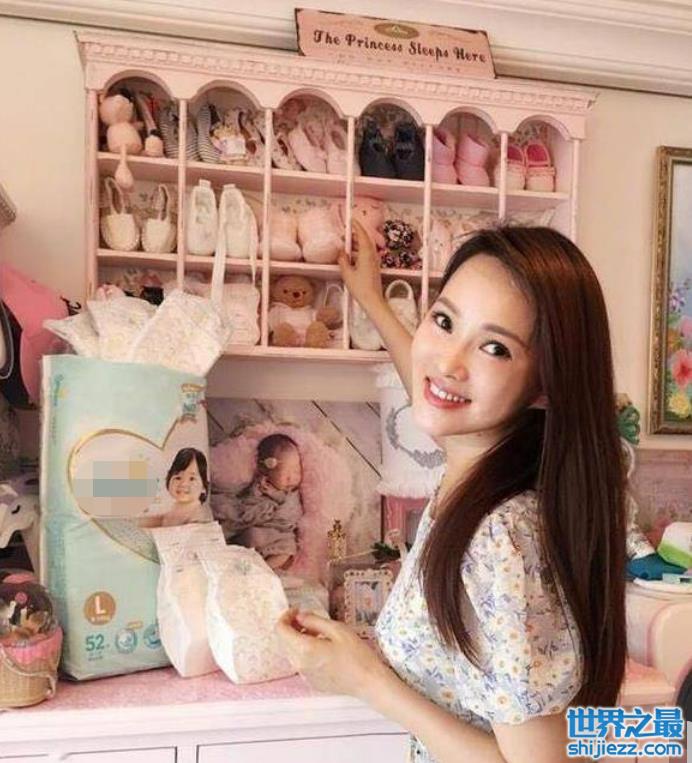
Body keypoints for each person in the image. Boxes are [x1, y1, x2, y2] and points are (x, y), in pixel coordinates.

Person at [276, 222, 627, 763]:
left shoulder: (500, 538)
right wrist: (371, 299)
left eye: (495, 348)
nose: (447, 362)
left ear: (545, 386)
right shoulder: (478, 467)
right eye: (443, 321)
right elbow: (431, 379)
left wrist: (365, 679)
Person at [213, 434, 303, 571]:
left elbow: (291, 515)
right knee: (252, 536)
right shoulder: (260, 485)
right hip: (258, 530)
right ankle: (250, 566)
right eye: (286, 472)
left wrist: (275, 495)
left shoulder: (292, 494)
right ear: (267, 469)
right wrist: (258, 492)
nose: (292, 478)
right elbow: (249, 504)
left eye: (297, 471)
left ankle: (264, 568)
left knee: (288, 548)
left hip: (279, 532)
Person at [139, 447, 210, 528]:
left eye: (192, 479)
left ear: (203, 487)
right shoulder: (176, 508)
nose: (183, 483)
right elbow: (161, 520)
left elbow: (191, 532)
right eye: (178, 478)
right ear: (169, 479)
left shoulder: (198, 514)